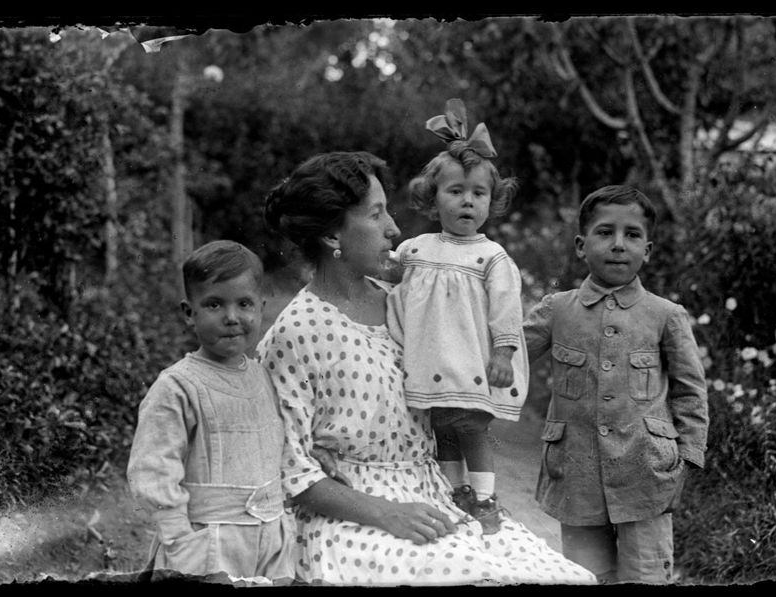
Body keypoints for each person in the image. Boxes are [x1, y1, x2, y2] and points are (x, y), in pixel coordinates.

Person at [257, 150, 596, 586]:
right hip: (361, 519)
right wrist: (388, 513)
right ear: (331, 237)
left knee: (562, 577)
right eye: (376, 215)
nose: (394, 229)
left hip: (439, 496)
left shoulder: (406, 302)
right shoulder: (297, 332)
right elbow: (291, 471)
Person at [522, 185, 709, 584]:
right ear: (580, 245)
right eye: (605, 233)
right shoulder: (557, 310)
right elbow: (507, 353)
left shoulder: (665, 315)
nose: (619, 245)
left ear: (648, 249)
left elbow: (690, 391)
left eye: (632, 235)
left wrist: (687, 461)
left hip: (647, 476)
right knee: (586, 576)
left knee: (645, 576)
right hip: (575, 474)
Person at [386, 98, 528, 535]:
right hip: (431, 360)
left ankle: (484, 498)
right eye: (456, 191)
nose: (467, 202)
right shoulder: (416, 249)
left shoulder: (491, 257)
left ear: (492, 201)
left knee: (471, 427)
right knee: (443, 428)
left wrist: (503, 355)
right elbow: (390, 278)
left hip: (472, 361)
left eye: (478, 194)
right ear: (433, 198)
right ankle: (450, 493)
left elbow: (506, 310)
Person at [127, 240, 293, 583]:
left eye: (244, 304)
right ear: (190, 312)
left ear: (261, 307)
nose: (232, 318)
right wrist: (184, 547)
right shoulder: (178, 386)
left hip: (270, 539)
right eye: (215, 304)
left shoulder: (263, 375)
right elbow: (153, 471)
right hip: (209, 547)